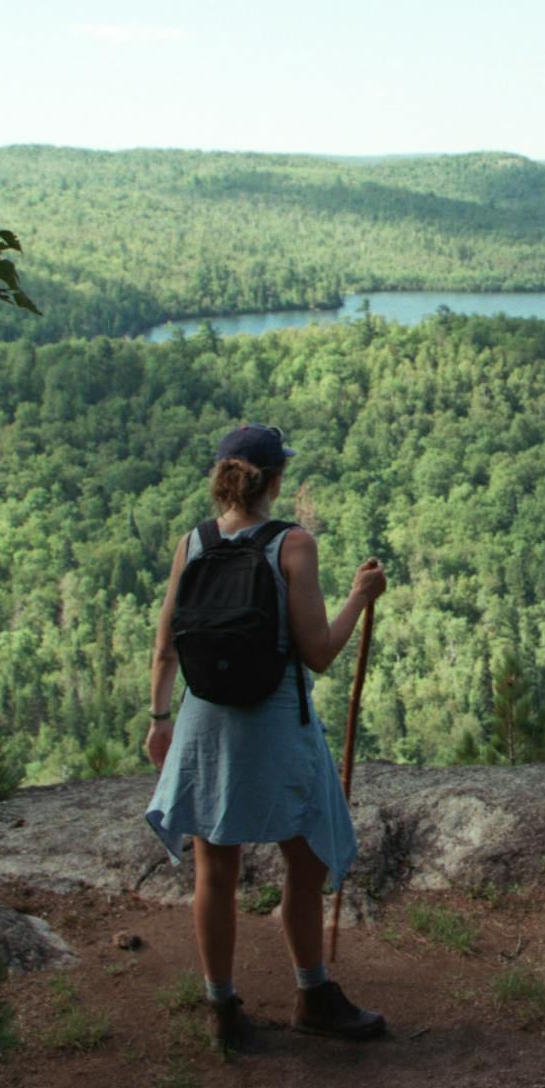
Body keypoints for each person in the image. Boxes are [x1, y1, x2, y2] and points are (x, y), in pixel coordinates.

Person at [143, 422, 388, 1050]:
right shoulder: (293, 545)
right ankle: (312, 995)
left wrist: (159, 719)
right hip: (274, 721)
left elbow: (167, 645)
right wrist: (360, 597)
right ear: (275, 479)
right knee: (305, 859)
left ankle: (223, 1010)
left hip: (204, 721)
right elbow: (318, 654)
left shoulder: (192, 543)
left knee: (214, 867)